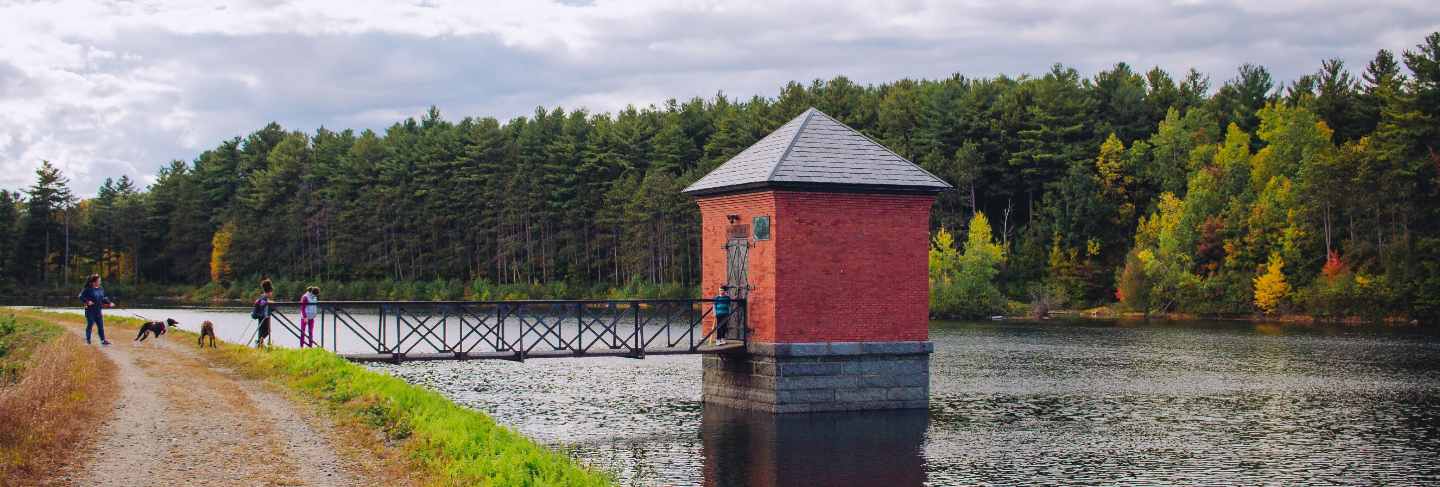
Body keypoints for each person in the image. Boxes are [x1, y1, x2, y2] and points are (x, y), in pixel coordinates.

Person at [78, 274, 114, 346]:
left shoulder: (100, 289)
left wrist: (109, 303)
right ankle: (88, 340)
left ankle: (103, 341)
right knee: (90, 324)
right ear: (94, 282)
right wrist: (87, 301)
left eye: (100, 281)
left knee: (100, 326)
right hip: (90, 311)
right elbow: (80, 296)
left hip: (98, 311)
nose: (100, 282)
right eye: (99, 281)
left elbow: (103, 298)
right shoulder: (88, 289)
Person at [254, 279, 274, 349]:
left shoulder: (263, 297)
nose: (272, 293)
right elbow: (263, 304)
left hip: (264, 316)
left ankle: (260, 344)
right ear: (269, 291)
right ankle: (259, 344)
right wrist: (268, 303)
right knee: (264, 332)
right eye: (271, 292)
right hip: (263, 317)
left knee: (264, 331)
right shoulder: (264, 298)